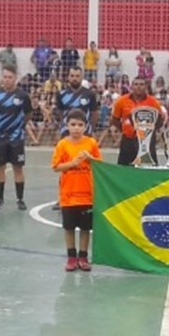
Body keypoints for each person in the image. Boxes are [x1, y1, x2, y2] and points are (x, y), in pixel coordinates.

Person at [51, 109, 102, 272]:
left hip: (87, 195)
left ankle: (83, 256)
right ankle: (71, 257)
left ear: (85, 126)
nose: (76, 128)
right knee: (69, 228)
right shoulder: (62, 144)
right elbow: (56, 167)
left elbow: (99, 164)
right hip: (69, 195)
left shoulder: (91, 143)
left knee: (85, 229)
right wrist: (73, 163)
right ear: (67, 125)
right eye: (73, 124)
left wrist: (90, 158)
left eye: (80, 125)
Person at [0, 65, 32, 210]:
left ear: (15, 78)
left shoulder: (22, 96)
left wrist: (18, 126)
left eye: (10, 77)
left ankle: (20, 199)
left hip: (16, 137)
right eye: (5, 77)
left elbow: (28, 114)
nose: (7, 80)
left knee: (17, 168)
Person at [111, 76, 163, 166]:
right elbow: (115, 119)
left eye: (141, 84)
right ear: (132, 86)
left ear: (146, 86)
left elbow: (159, 121)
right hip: (128, 140)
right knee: (124, 167)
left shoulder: (153, 102)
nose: (138, 87)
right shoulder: (122, 101)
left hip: (147, 141)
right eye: (136, 84)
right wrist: (124, 129)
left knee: (149, 167)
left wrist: (149, 131)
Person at [55, 67, 99, 138]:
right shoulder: (61, 94)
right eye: (72, 76)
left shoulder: (89, 94)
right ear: (68, 77)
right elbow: (60, 113)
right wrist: (62, 126)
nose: (74, 78)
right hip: (66, 132)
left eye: (77, 76)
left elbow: (95, 113)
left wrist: (91, 128)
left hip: (85, 132)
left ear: (82, 77)